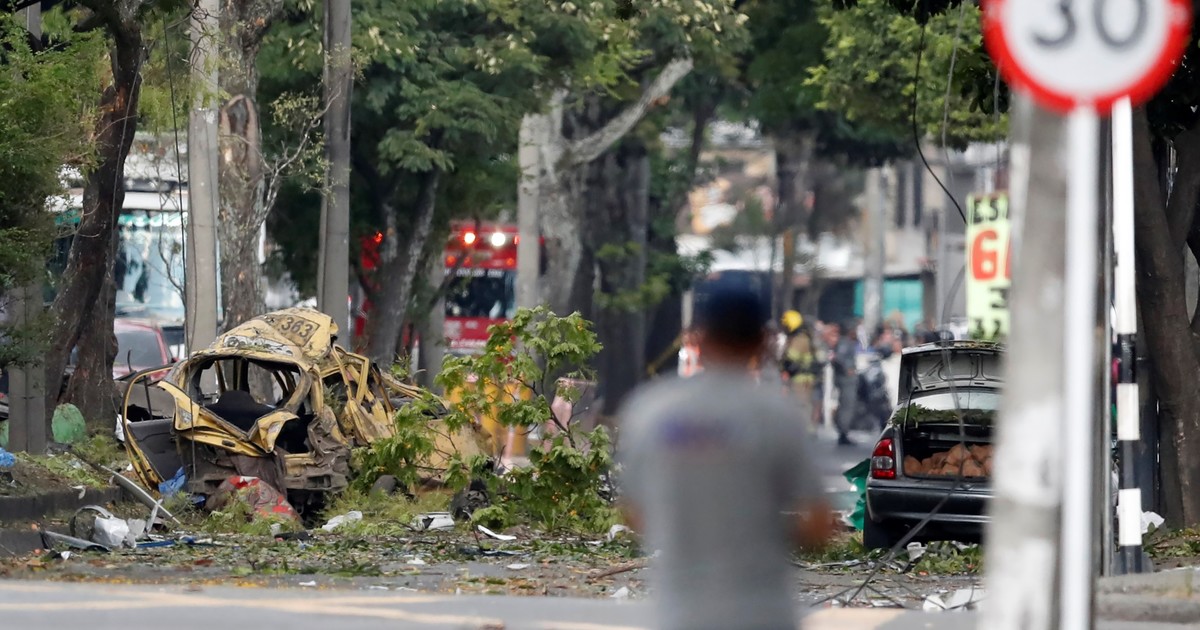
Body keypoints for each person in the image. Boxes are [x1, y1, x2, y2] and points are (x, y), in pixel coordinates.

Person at [617, 287, 834, 630]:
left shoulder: (651, 410)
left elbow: (634, 514)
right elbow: (820, 525)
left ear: (697, 339)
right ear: (763, 342)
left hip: (680, 614)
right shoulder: (777, 415)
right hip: (763, 614)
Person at [823, 320, 859, 446]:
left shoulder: (847, 342)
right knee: (846, 406)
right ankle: (843, 432)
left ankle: (844, 432)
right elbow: (839, 358)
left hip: (845, 379)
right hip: (846, 380)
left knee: (847, 406)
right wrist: (847, 369)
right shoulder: (845, 343)